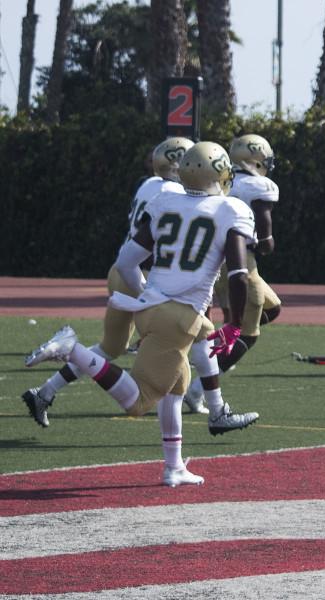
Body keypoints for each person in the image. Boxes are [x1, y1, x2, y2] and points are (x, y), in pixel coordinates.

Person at [24, 141, 260, 487]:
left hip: (149, 307)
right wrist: (236, 324)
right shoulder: (231, 209)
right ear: (221, 174)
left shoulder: (165, 200)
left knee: (177, 385)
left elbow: (126, 261)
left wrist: (150, 295)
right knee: (138, 401)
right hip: (178, 315)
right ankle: (72, 349)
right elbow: (240, 275)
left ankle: (174, 466)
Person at [21, 137, 211, 420]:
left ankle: (45, 391)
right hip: (146, 276)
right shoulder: (173, 192)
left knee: (113, 347)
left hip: (122, 269)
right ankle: (207, 402)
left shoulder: (148, 184)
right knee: (190, 335)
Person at [183, 134, 282, 407]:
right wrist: (265, 244)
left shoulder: (221, 180)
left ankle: (212, 352)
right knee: (247, 335)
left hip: (215, 261)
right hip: (242, 262)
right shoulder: (260, 186)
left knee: (272, 309)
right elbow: (265, 240)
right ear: (255, 158)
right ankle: (198, 389)